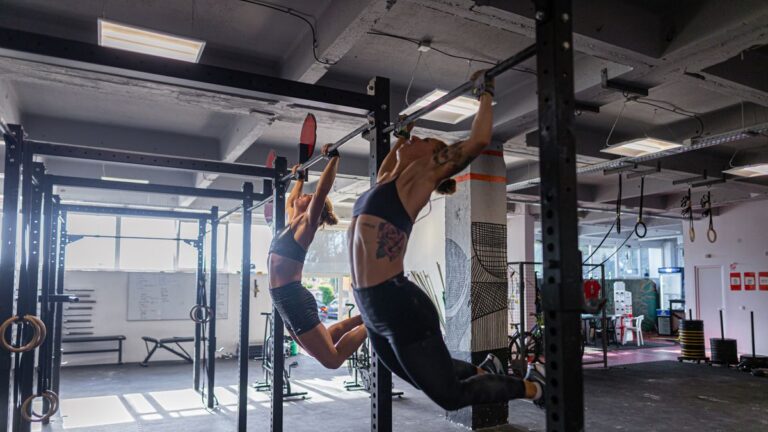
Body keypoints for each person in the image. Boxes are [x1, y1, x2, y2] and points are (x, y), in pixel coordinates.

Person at [349, 71, 545, 411]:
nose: (415, 141)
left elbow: (478, 140)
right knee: (423, 377)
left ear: (434, 154)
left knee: (449, 397)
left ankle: (534, 388)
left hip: (398, 306)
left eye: (423, 139)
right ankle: (486, 371)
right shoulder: (384, 182)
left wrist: (484, 94)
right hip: (373, 309)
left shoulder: (422, 175)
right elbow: (389, 162)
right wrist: (401, 136)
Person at [268, 144, 367, 369]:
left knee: (332, 360)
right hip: (284, 299)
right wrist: (300, 178)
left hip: (291, 298)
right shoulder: (293, 220)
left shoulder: (306, 225)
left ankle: (373, 323)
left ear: (315, 207)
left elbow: (322, 191)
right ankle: (366, 317)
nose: (304, 196)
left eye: (309, 196)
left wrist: (333, 159)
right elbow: (292, 199)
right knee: (328, 339)